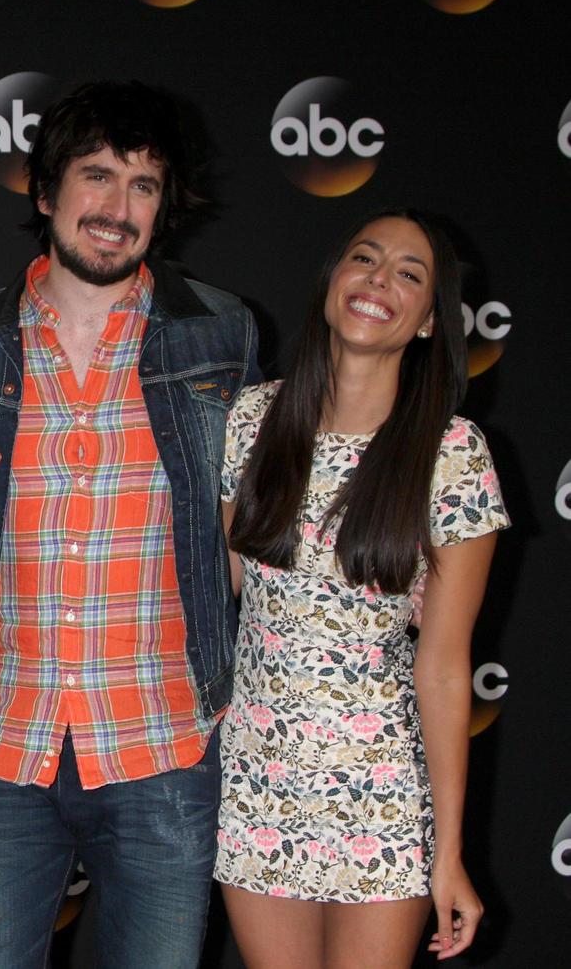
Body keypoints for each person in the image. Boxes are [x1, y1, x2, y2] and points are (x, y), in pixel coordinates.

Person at [0, 80, 260, 968]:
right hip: (6, 743)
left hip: (164, 744)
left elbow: (267, 504)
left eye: (145, 186)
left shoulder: (220, 335)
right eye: (97, 176)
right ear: (46, 192)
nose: (118, 209)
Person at [214, 209, 505, 967]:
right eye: (365, 259)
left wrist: (447, 852)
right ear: (332, 283)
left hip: (378, 790)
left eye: (409, 274)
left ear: (429, 324)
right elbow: (216, 596)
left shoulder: (451, 454)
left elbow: (442, 666)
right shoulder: (253, 419)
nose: (379, 280)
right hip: (258, 779)